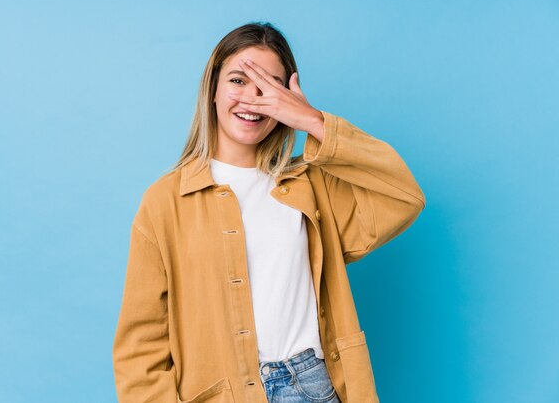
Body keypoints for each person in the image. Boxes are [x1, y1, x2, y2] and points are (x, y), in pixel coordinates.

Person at [112, 22, 426, 403]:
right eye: (239, 80)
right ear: (212, 89)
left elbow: (403, 196)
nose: (252, 98)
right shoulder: (165, 202)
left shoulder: (312, 186)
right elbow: (140, 349)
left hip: (314, 386)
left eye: (269, 86)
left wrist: (312, 121)